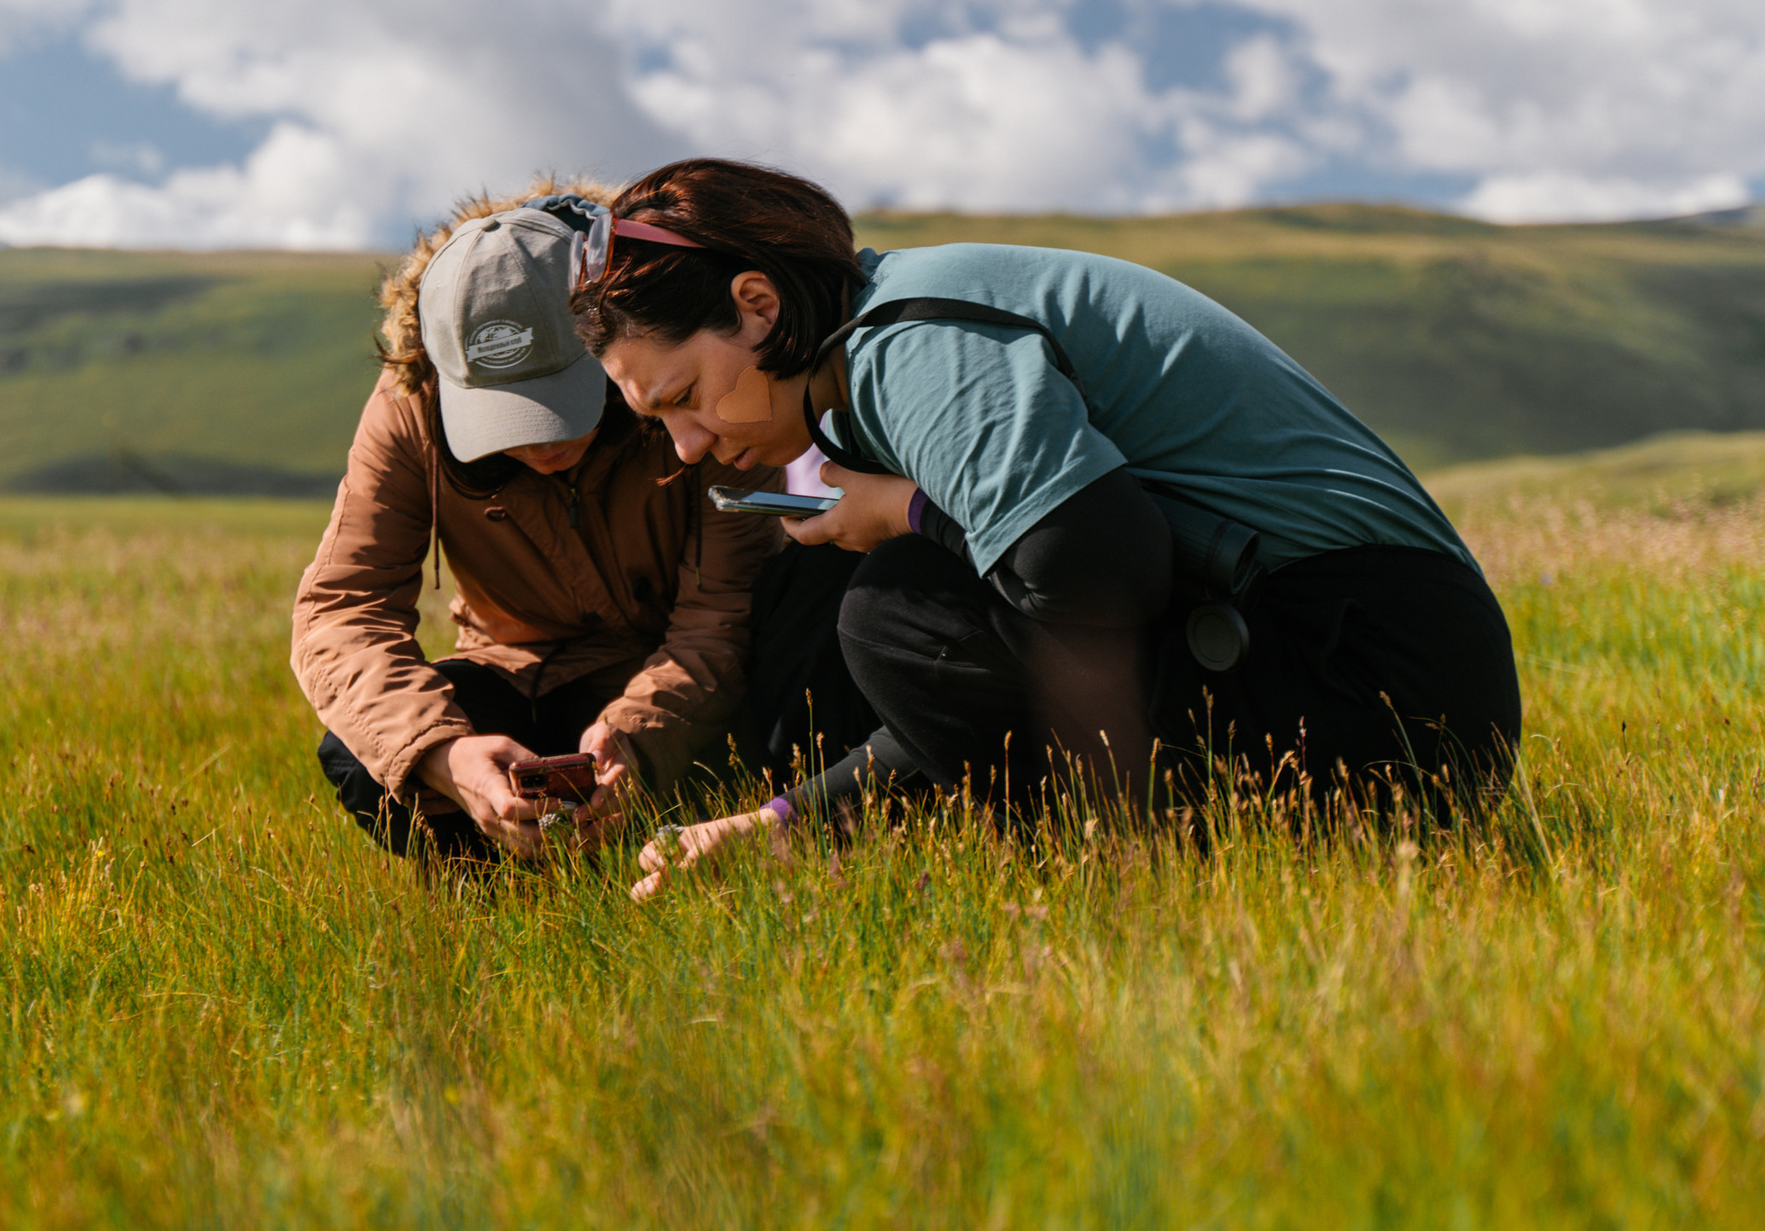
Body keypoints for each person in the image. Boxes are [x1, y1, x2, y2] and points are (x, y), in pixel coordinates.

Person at [569, 159, 1522, 894]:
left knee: (899, 607)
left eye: (685, 397)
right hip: (1369, 663)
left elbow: (1099, 570)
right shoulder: (885, 336)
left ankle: (1132, 874)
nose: (686, 447)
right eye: (662, 423)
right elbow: (1020, 645)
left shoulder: (910, 343)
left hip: (1382, 673)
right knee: (914, 602)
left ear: (758, 304)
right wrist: (782, 820)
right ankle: (1151, 861)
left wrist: (903, 511)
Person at [292, 182, 782, 861]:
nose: (541, 445)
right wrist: (446, 754)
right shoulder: (411, 401)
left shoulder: (684, 369)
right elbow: (342, 609)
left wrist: (635, 735)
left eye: (559, 397)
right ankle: (506, 887)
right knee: (363, 750)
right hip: (510, 676)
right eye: (506, 415)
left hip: (686, 695)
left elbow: (723, 612)